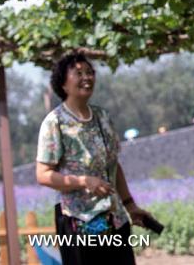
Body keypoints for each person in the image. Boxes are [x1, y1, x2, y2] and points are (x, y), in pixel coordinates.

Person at [36, 52, 155, 265]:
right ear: (63, 84)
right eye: (79, 73)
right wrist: (83, 181)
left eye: (90, 72)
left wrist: (130, 205)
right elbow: (43, 175)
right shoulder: (54, 122)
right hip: (76, 220)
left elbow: (113, 165)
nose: (87, 78)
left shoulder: (103, 117)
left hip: (113, 218)